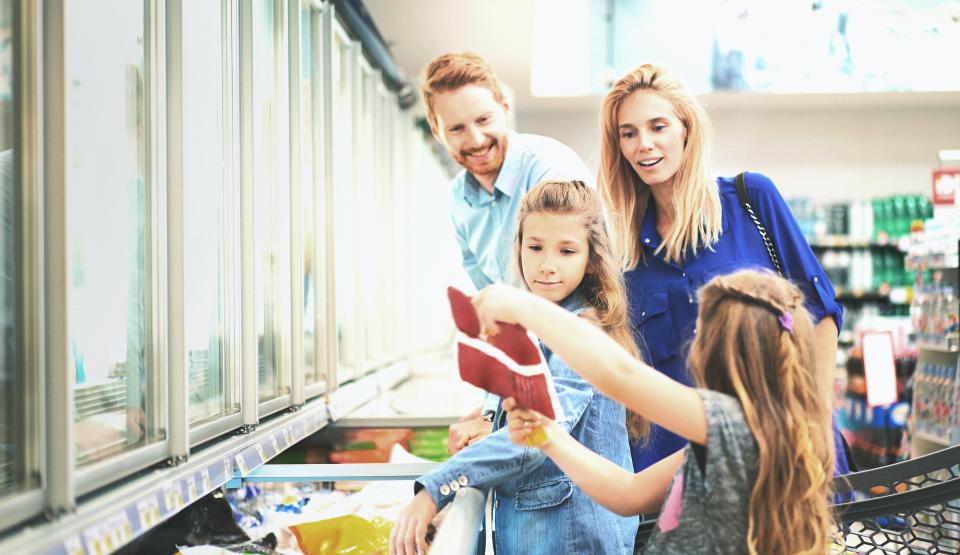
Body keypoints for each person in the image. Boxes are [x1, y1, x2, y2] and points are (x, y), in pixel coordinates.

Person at [597, 63, 849, 474]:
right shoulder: (622, 253)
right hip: (679, 482)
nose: (644, 144)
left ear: (686, 128)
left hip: (783, 459)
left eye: (658, 126)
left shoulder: (751, 201)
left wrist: (816, 423)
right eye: (629, 133)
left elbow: (821, 315)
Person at [476, 270, 835, 553]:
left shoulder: (739, 426)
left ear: (718, 350)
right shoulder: (747, 437)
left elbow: (619, 374)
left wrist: (521, 307)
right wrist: (548, 437)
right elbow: (629, 494)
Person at [389, 180, 640, 555]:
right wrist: (487, 423)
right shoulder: (538, 321)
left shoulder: (582, 332)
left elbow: (537, 437)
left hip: (574, 537)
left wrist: (435, 489)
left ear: (590, 260)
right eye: (535, 247)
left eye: (566, 251)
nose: (547, 265)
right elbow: (519, 410)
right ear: (519, 246)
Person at [420, 52, 594, 453]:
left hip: (577, 378)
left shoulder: (548, 169)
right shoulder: (459, 201)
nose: (476, 140)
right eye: (457, 128)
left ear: (504, 108)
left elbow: (572, 303)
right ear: (436, 130)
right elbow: (498, 320)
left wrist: (501, 417)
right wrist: (490, 410)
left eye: (483, 120)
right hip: (527, 401)